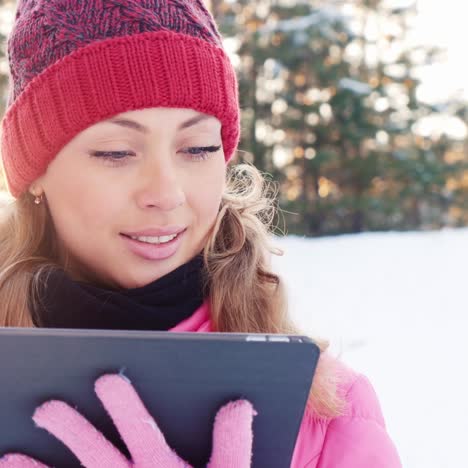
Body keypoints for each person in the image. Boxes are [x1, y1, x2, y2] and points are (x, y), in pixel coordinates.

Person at [0, 1, 402, 467]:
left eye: (197, 148)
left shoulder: (330, 410)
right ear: (35, 175)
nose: (166, 193)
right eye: (115, 152)